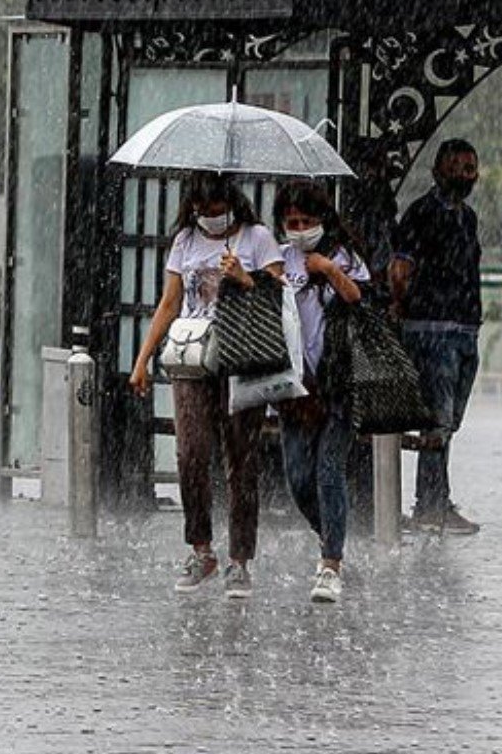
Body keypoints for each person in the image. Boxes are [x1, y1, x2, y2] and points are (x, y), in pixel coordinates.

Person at [128, 171, 284, 599]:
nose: (209, 218)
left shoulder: (257, 238)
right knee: (191, 452)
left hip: (241, 358)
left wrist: (245, 278)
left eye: (216, 210)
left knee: (241, 458)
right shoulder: (185, 242)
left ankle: (239, 558)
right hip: (193, 358)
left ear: (230, 203)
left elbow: (279, 295)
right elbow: (170, 302)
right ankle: (201, 548)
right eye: (201, 211)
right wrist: (143, 359)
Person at [272, 180, 369, 602]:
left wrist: (328, 269)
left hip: (339, 381)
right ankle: (331, 534)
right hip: (296, 385)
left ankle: (331, 563)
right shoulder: (278, 258)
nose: (298, 228)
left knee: (329, 469)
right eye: (291, 222)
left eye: (306, 221)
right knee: (298, 476)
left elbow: (360, 298)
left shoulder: (343, 255)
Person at [390, 138, 483, 535]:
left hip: (464, 329)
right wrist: (403, 308)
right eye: (457, 167)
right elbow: (399, 269)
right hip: (431, 330)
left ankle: (435, 498)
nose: (465, 175)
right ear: (437, 171)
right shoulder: (421, 214)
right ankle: (430, 504)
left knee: (449, 421)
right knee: (437, 419)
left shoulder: (468, 218)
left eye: (470, 168)